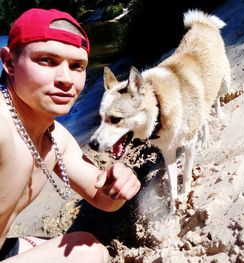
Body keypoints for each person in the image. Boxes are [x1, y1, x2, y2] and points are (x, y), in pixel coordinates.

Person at [0, 8, 141, 262]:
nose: (66, 79)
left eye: (77, 66)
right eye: (47, 60)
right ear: (9, 63)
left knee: (86, 246)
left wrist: (119, 185)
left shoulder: (55, 138)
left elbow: (101, 197)